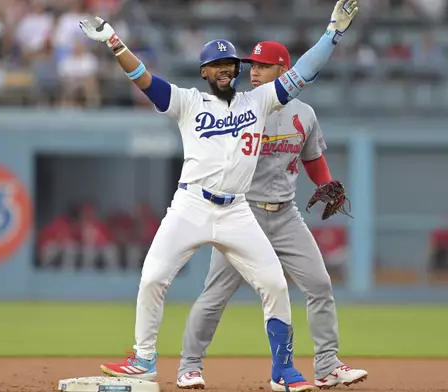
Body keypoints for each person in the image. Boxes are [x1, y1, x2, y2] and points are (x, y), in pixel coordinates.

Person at [77, 1, 358, 390]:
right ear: (205, 72)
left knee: (274, 285)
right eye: (217, 64)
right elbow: (144, 79)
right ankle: (144, 359)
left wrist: (332, 33)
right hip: (191, 204)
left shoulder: (257, 101)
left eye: (231, 64)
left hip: (237, 212)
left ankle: (283, 369)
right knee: (154, 276)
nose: (226, 69)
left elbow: (305, 71)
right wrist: (113, 41)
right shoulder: (188, 101)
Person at [175, 41, 367, 391]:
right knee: (215, 295)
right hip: (242, 214)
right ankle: (189, 366)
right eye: (253, 67)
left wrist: (325, 182)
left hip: (285, 215)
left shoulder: (304, 114)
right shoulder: (243, 108)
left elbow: (311, 158)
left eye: (263, 66)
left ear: (283, 71)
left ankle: (326, 364)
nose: (255, 73)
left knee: (320, 285)